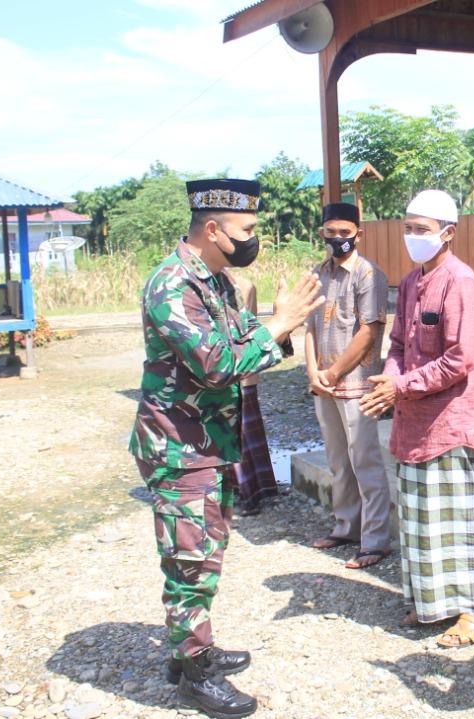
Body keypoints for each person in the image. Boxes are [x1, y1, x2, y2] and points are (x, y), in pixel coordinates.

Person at [129, 178, 324, 718]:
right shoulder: (172, 285)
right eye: (248, 229)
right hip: (178, 447)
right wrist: (279, 325)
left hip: (209, 442)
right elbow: (216, 364)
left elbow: (243, 346)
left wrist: (282, 330)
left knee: (206, 550)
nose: (253, 238)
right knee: (190, 560)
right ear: (212, 229)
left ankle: (189, 648)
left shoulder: (217, 282)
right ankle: (194, 673)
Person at [358, 189, 474, 648]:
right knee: (420, 517)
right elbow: (397, 345)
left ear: (448, 233)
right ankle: (434, 602)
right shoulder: (411, 281)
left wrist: (400, 386)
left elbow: (462, 359)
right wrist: (388, 379)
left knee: (457, 518)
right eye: (408, 228)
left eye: (422, 229)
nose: (412, 237)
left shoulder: (461, 282)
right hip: (414, 418)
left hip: (450, 420)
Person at [306, 202, 393, 569]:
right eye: (331, 232)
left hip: (357, 384)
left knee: (365, 461)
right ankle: (346, 527)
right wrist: (313, 372)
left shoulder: (368, 274)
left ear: (359, 233)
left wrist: (336, 371)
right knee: (338, 461)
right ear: (322, 232)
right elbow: (308, 327)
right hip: (324, 384)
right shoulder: (318, 273)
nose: (338, 239)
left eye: (345, 233)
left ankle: (375, 540)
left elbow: (369, 331)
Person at [228, 273, 279, 517]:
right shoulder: (246, 283)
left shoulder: (238, 286)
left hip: (233, 371)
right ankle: (258, 488)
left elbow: (243, 329)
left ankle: (244, 494)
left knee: (237, 435)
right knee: (247, 435)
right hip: (245, 370)